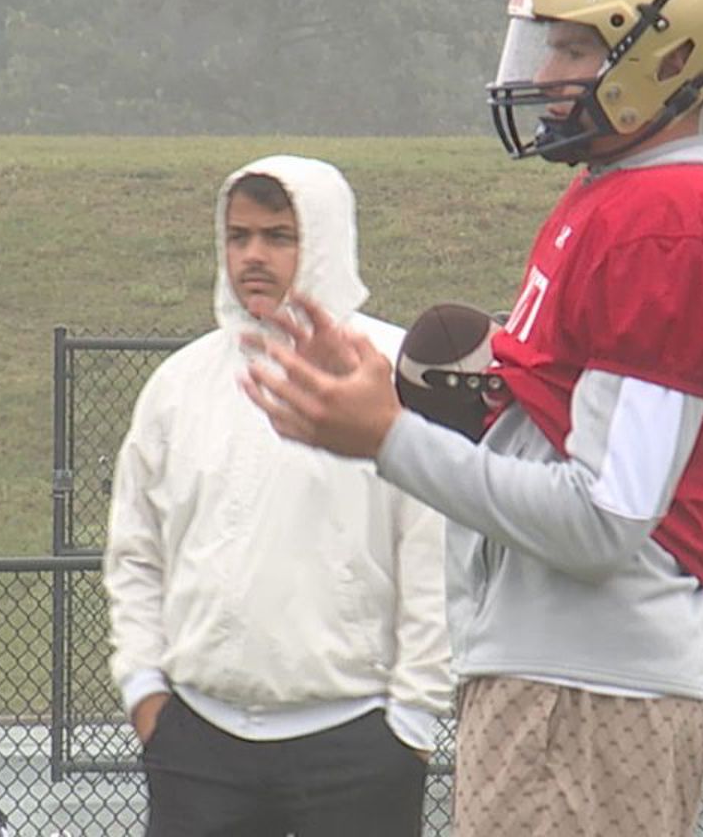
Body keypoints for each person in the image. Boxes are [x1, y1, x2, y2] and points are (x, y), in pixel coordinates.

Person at [240, 0, 703, 837]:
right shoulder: (621, 195)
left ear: (672, 59)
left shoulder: (669, 219)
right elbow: (555, 427)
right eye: (544, 46)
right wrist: (383, 367)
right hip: (562, 678)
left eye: (574, 49)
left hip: (589, 689)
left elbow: (606, 518)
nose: (545, 75)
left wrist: (386, 437)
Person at [102, 155, 454, 837]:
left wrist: (410, 722)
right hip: (198, 745)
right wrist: (146, 693)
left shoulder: (392, 373)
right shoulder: (179, 387)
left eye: (278, 236)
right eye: (239, 237)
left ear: (323, 239)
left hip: (359, 746)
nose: (253, 256)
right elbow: (134, 555)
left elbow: (437, 559)